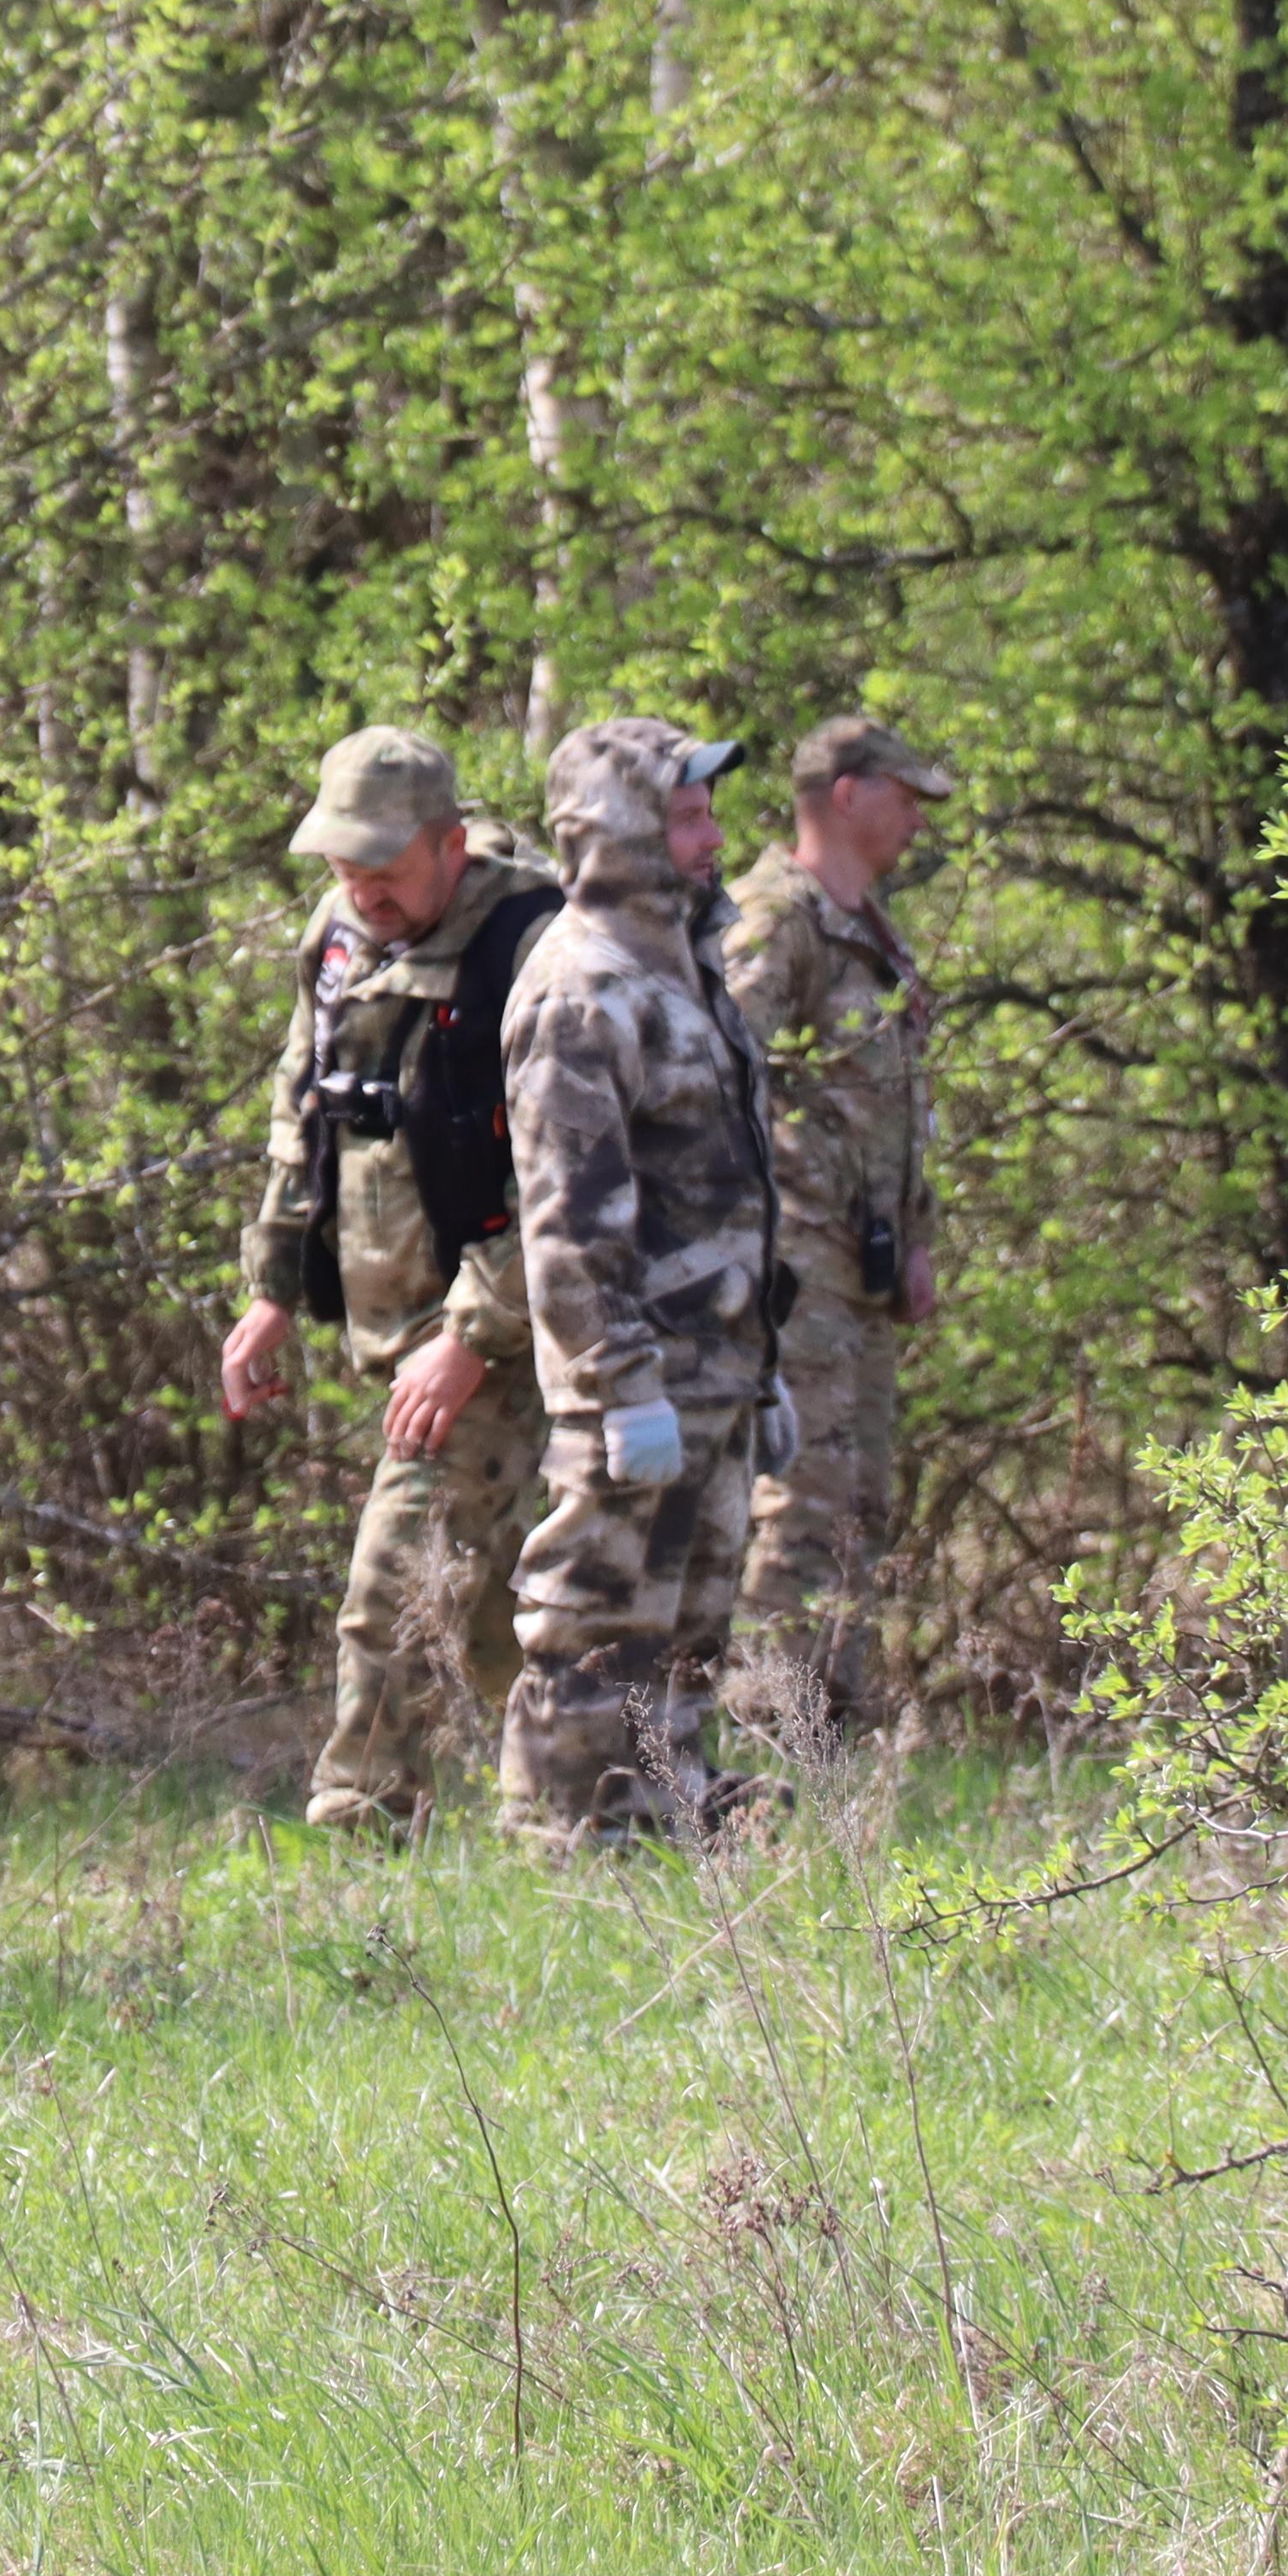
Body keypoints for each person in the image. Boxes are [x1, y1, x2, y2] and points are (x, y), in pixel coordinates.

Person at [217, 727, 566, 1832]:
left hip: (509, 1330)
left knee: (397, 1580)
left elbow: (579, 1177)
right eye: (342, 864)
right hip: (399, 1325)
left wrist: (471, 1336)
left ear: (451, 844)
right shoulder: (342, 935)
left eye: (385, 865)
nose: (361, 888)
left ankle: (360, 1819)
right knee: (495, 1613)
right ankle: (607, 1797)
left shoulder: (535, 944)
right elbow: (301, 1111)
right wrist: (274, 1289)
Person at [495, 716, 789, 1845]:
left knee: (690, 1626)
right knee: (592, 1624)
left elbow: (734, 1185)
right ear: (619, 831)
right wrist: (622, 1386)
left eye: (708, 810)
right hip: (636, 1383)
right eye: (684, 813)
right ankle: (560, 1850)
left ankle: (660, 1822)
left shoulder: (688, 969)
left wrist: (765, 1370)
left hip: (716, 1372)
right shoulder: (580, 990)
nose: (713, 837)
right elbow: (569, 1220)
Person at [724, 716, 953, 1751]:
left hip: (860, 1267)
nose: (915, 818)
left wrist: (915, 1238)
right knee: (801, 1499)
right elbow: (724, 1075)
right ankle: (772, 1733)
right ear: (847, 793)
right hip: (797, 1261)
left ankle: (834, 1736)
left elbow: (894, 1102)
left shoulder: (870, 927)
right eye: (905, 796)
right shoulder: (779, 918)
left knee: (859, 1501)